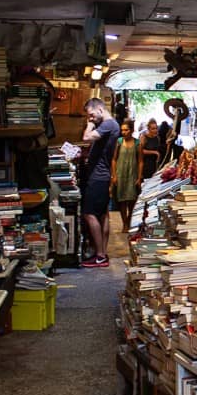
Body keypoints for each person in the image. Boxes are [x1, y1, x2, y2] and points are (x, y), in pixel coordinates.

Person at [81, 97, 119, 267]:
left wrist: (89, 124)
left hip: (98, 176)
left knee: (89, 214)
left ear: (100, 110)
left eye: (91, 115)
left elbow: (86, 137)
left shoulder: (108, 124)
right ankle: (102, 253)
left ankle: (100, 255)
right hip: (102, 175)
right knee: (103, 215)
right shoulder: (111, 125)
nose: (91, 118)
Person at [111, 118, 142, 233]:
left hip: (132, 174)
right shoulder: (119, 142)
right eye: (122, 130)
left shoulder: (137, 143)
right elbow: (114, 159)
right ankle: (124, 223)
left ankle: (129, 221)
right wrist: (114, 175)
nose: (124, 132)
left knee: (132, 200)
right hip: (121, 173)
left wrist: (139, 177)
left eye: (126, 130)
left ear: (132, 130)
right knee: (122, 200)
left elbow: (140, 161)